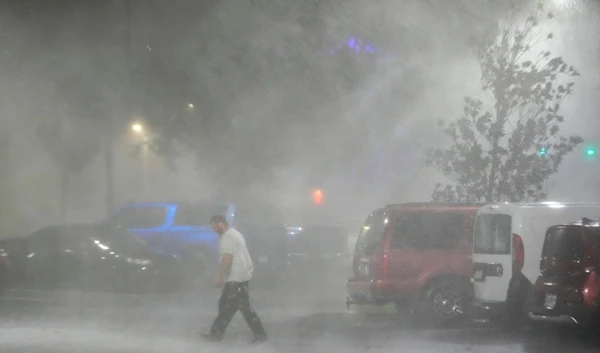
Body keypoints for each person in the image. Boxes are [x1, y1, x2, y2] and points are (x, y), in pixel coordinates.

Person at [201, 215, 268, 344]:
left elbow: (227, 257)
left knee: (243, 308)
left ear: (220, 223)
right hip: (239, 277)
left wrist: (219, 274)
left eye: (215, 227)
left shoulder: (228, 237)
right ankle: (216, 334)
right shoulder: (235, 234)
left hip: (236, 278)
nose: (214, 231)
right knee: (226, 306)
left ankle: (260, 336)